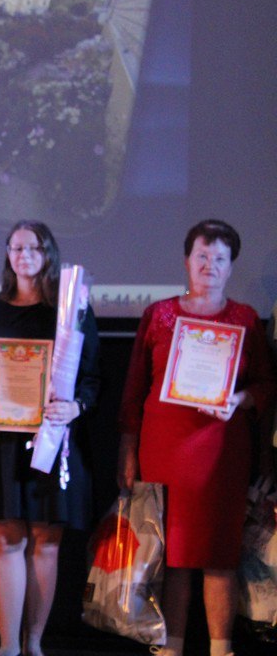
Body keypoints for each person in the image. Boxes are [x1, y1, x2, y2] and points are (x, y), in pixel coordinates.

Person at [118, 220, 276, 656]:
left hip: (221, 453)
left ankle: (221, 650)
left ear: (231, 267)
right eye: (202, 256)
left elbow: (266, 385)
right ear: (187, 261)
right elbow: (133, 390)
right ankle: (171, 648)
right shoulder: (159, 315)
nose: (210, 265)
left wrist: (239, 399)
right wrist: (127, 449)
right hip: (164, 450)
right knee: (173, 557)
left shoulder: (245, 319)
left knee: (219, 555)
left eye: (220, 258)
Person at [0, 220, 100, 656]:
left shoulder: (71, 312)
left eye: (33, 248)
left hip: (51, 440)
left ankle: (34, 644)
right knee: (5, 541)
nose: (24, 256)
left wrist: (76, 407)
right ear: (8, 254)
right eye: (16, 248)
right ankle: (8, 647)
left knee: (46, 543)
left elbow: (92, 379)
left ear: (48, 254)